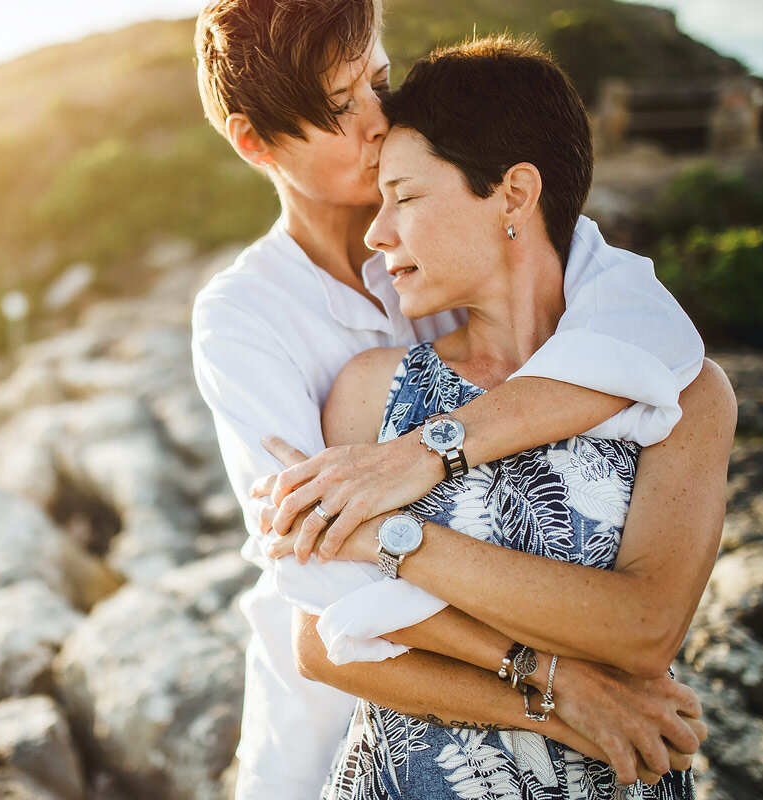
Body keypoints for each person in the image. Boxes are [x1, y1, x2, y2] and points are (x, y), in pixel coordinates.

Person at [190, 2, 706, 797]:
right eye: (338, 108)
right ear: (254, 141)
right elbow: (321, 566)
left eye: (379, 82)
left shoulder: (464, 209)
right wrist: (549, 681)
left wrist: (418, 455)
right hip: (339, 720)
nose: (375, 119)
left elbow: (650, 338)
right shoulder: (245, 317)